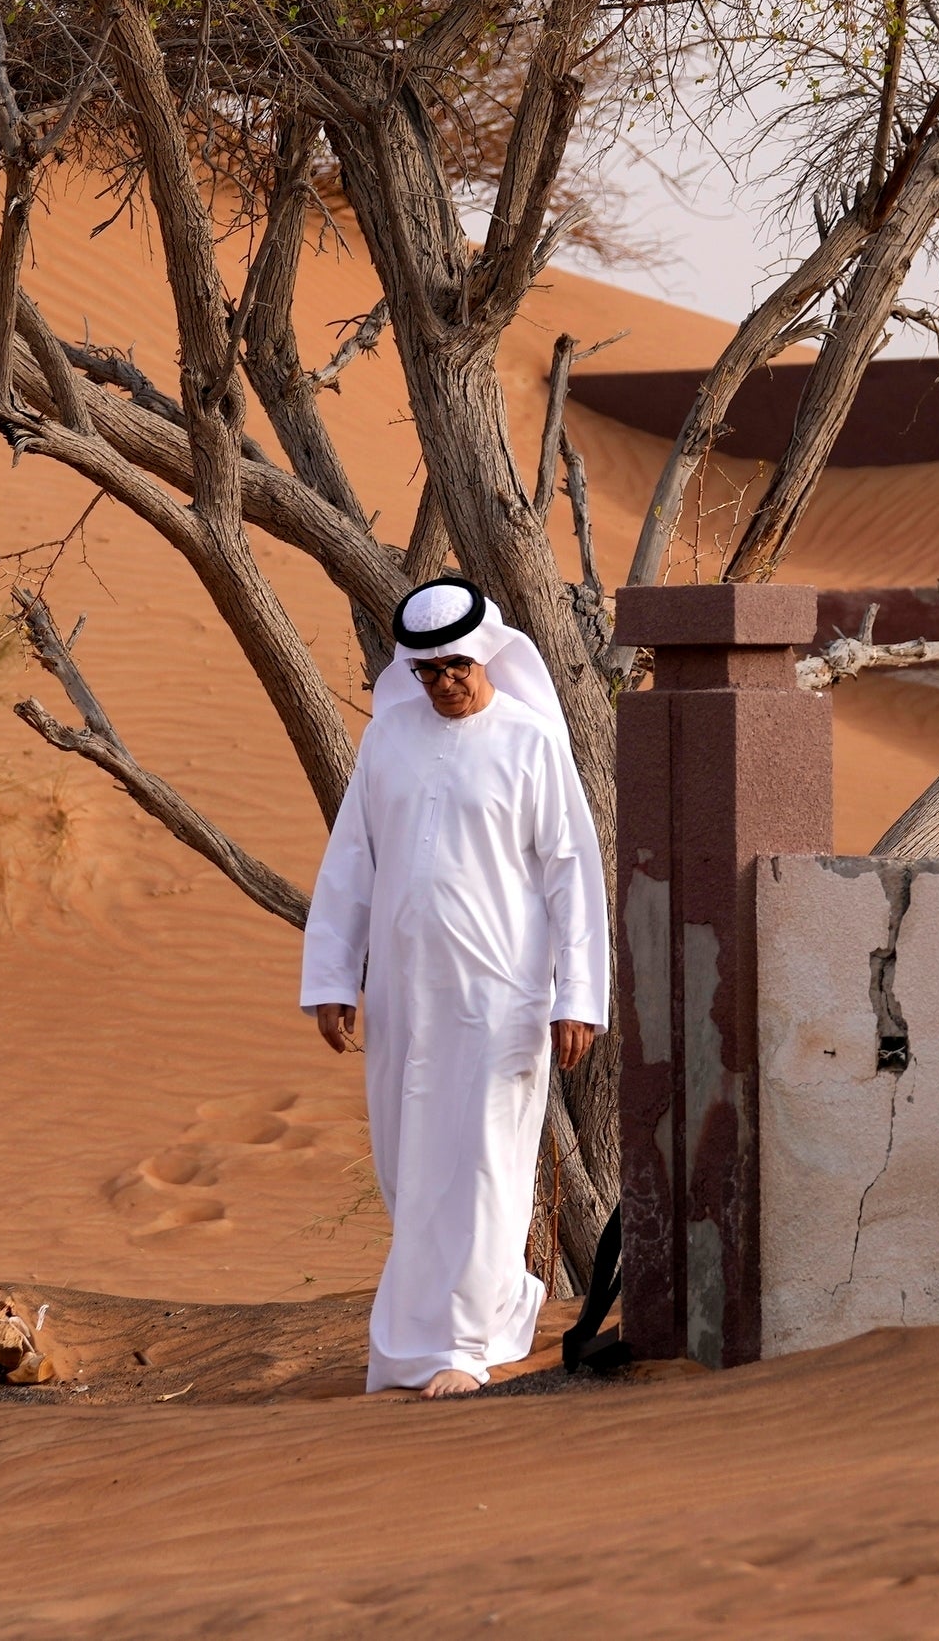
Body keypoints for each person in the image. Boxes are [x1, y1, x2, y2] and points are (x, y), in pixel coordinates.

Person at [301, 578, 610, 1397]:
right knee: (408, 1165)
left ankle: (464, 1346)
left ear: (487, 657)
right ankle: (449, 1326)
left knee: (485, 1162)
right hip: (405, 998)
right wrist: (333, 975)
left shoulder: (531, 741)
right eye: (428, 670)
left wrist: (579, 995)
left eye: (457, 667)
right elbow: (352, 861)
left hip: (500, 995)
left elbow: (573, 873)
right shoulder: (389, 738)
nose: (443, 683)